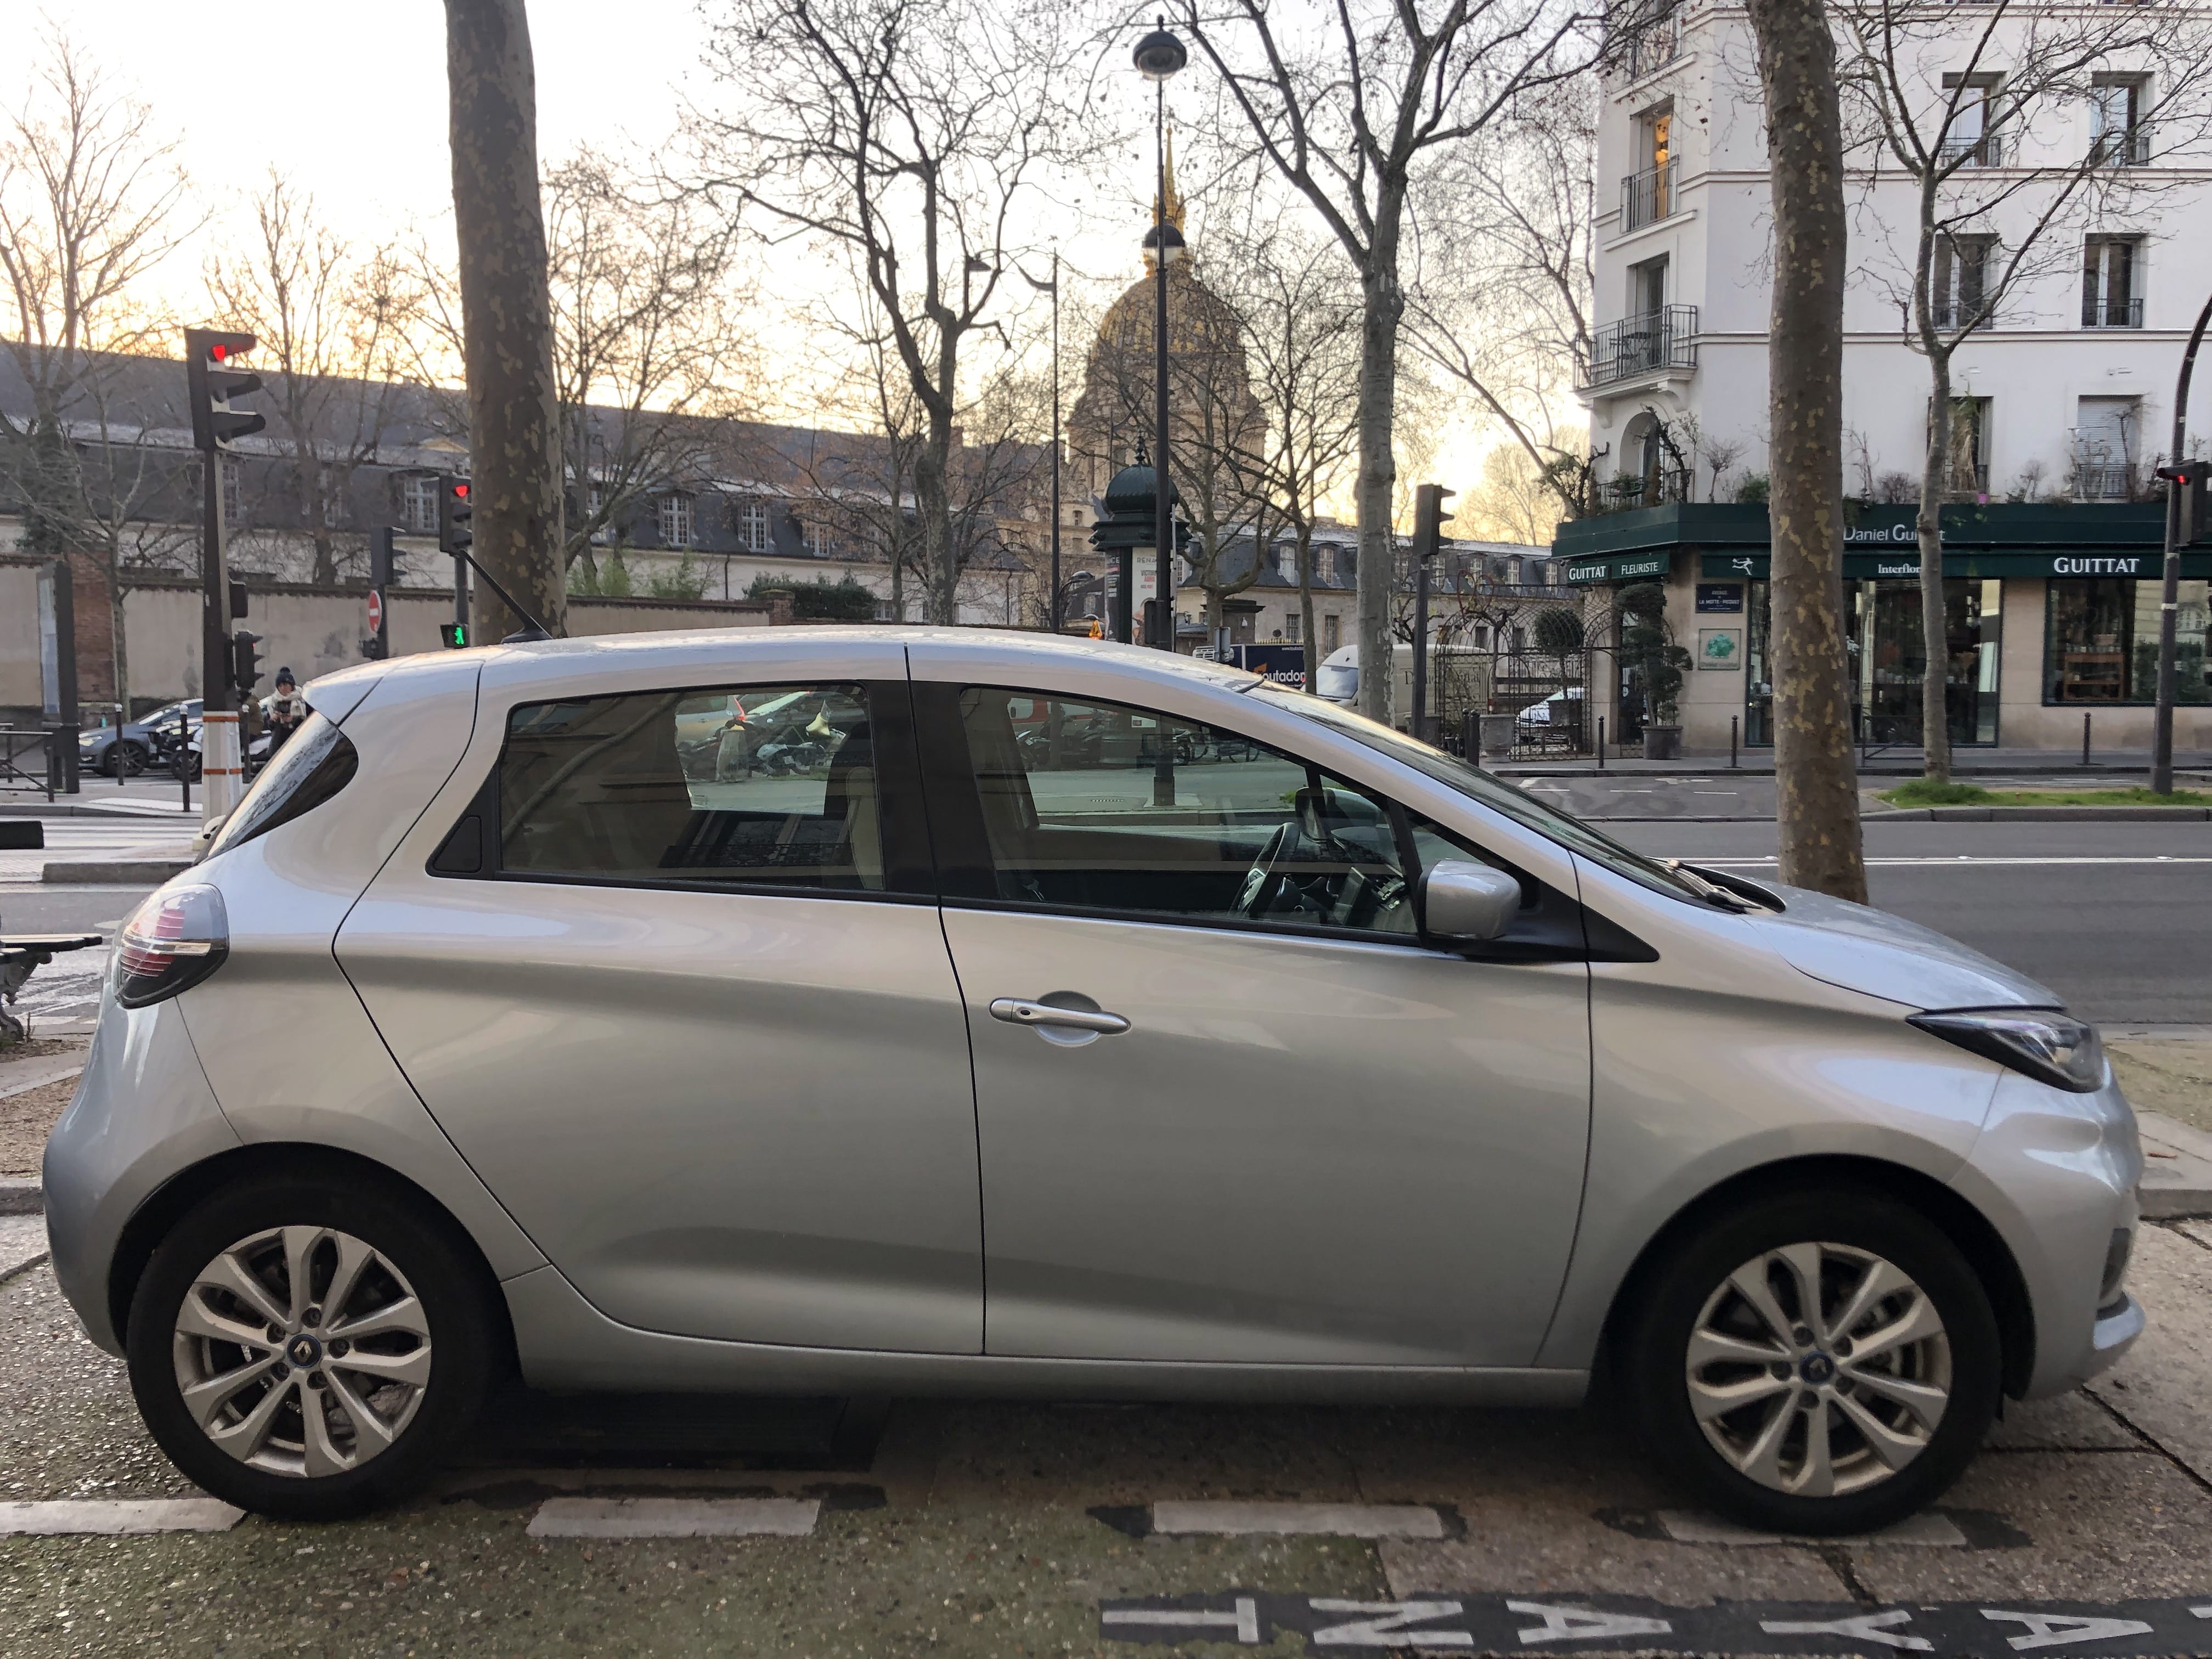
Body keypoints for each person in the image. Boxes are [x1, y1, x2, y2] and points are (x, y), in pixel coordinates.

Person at [263, 670, 309, 754]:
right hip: (278, 746)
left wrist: (293, 720)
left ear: (292, 686)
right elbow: (269, 727)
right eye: (279, 686)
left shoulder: (302, 700)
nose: (282, 688)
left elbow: (310, 723)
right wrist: (273, 720)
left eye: (285, 684)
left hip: (297, 742)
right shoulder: (273, 702)